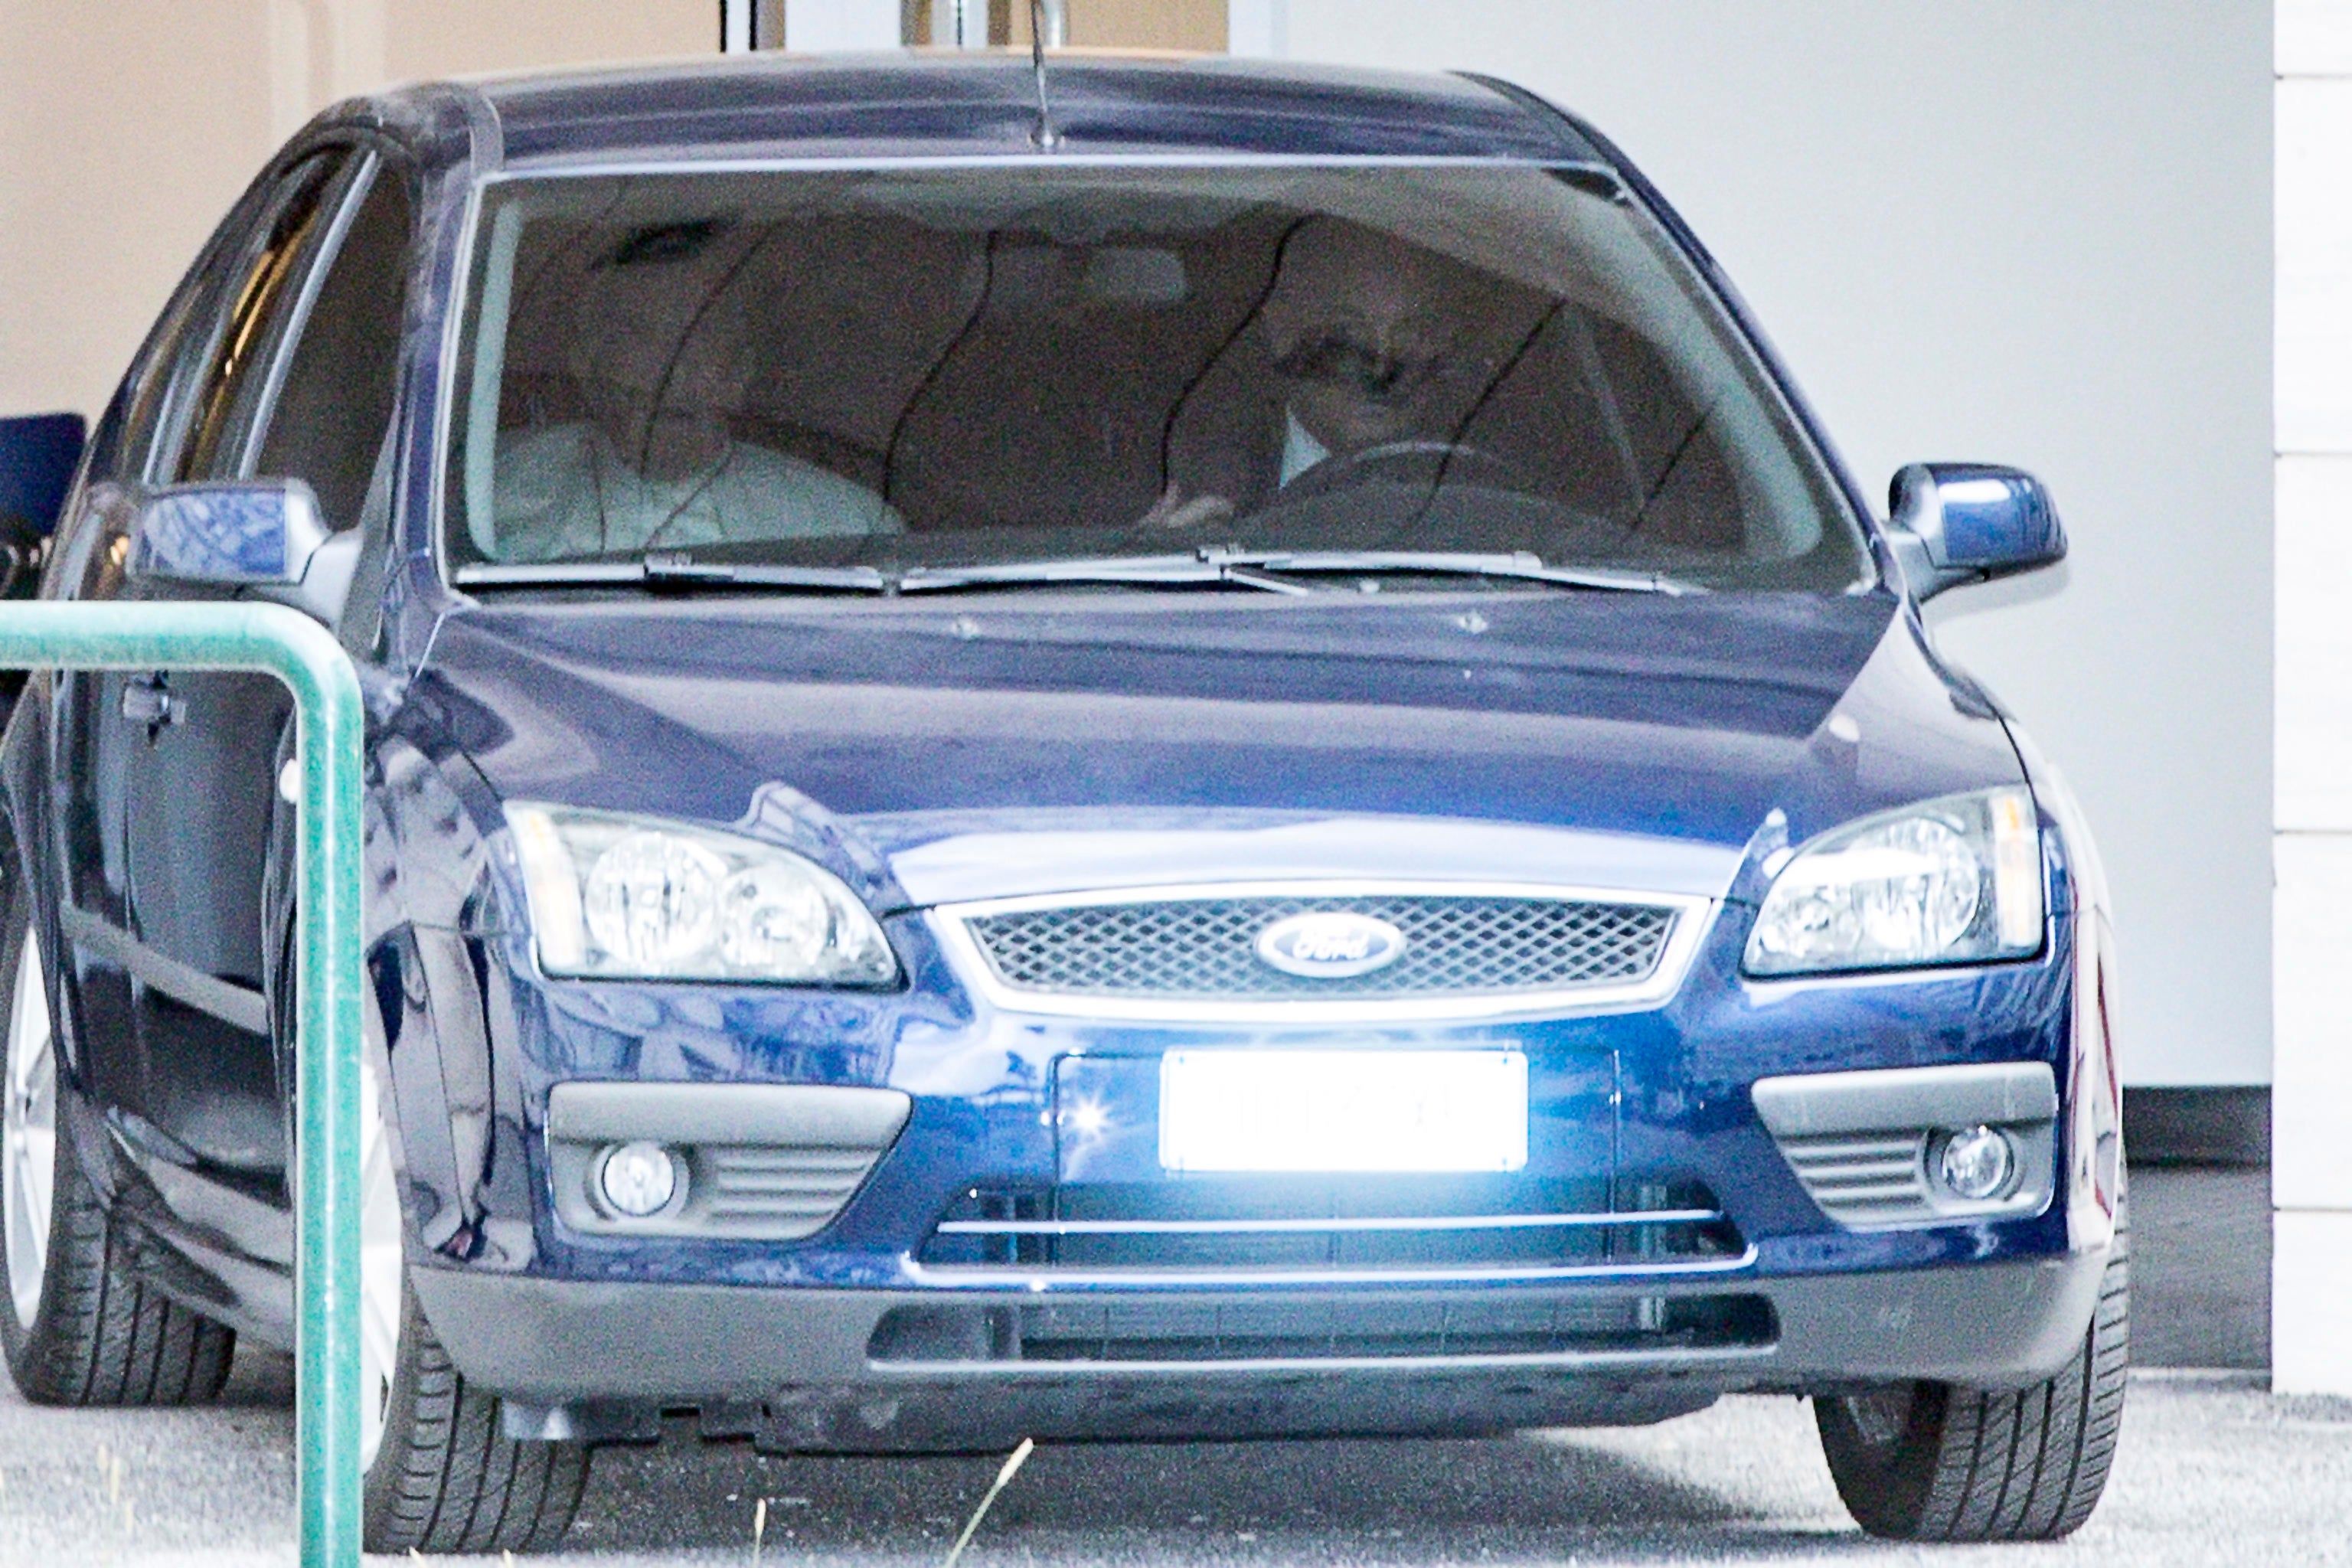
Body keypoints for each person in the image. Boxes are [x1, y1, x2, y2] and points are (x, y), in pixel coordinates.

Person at [483, 220, 905, 563]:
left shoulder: (849, 531)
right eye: (642, 338)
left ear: (740, 372)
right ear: (586, 362)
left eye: (699, 337)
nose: (673, 368)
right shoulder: (489, 502)